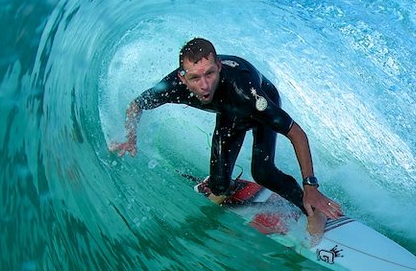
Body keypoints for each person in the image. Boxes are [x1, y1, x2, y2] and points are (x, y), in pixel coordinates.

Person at [110, 38, 343, 234]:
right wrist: (131, 138)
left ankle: (312, 209)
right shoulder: (172, 87)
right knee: (219, 186)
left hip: (257, 102)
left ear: (219, 67)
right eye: (195, 78)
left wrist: (310, 186)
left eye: (210, 73)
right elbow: (136, 105)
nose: (204, 85)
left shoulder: (246, 93)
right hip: (229, 114)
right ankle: (226, 185)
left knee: (263, 172)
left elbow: (296, 133)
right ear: (182, 78)